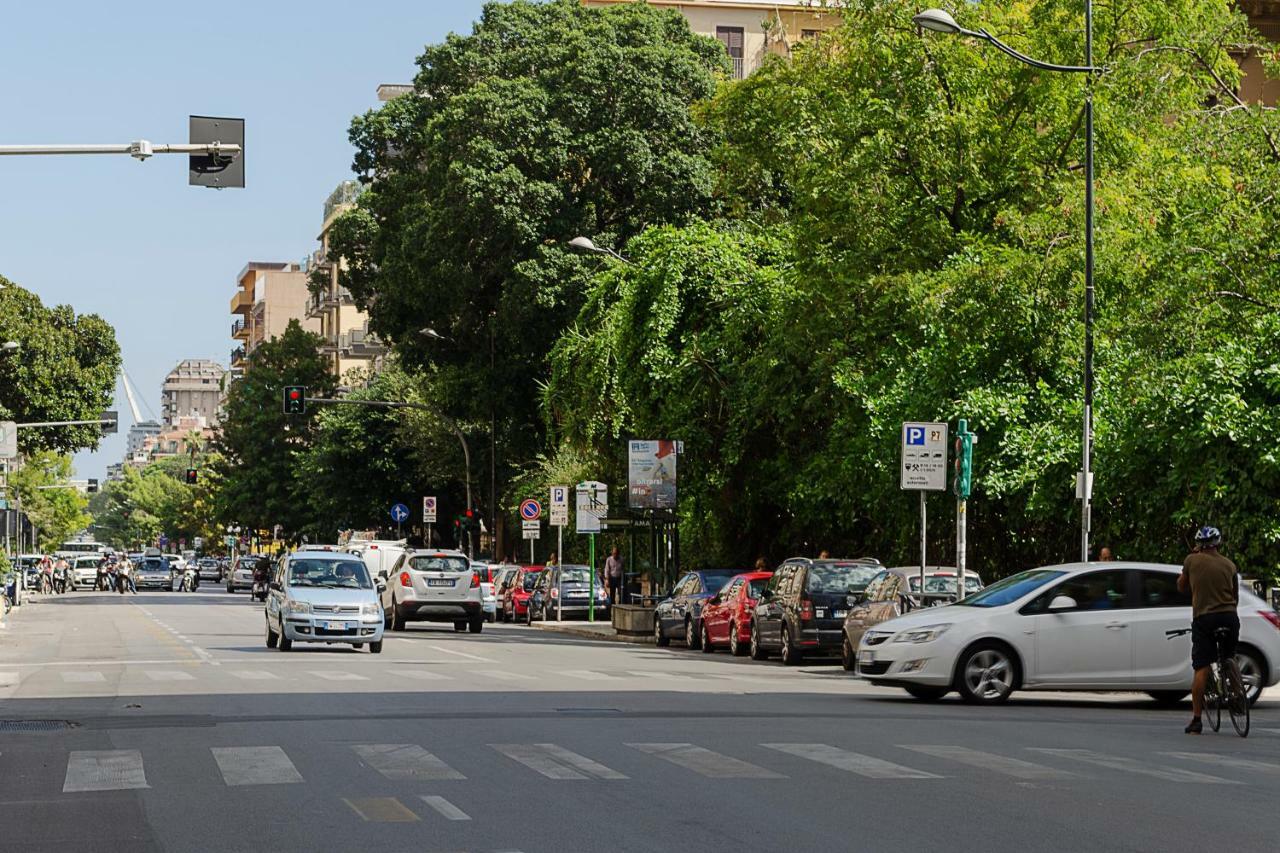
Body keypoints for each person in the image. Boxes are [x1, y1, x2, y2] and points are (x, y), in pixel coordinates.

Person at [1177, 526, 1239, 735]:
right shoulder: (1230, 565)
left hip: (1204, 618)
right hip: (1229, 617)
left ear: (1199, 545)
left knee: (1201, 668)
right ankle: (1237, 693)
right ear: (1218, 544)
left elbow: (1181, 587)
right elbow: (1235, 597)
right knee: (1229, 657)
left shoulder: (1191, 560)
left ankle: (1196, 720)